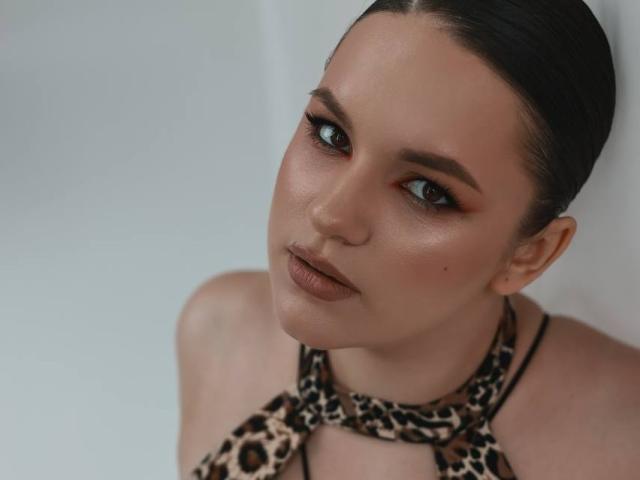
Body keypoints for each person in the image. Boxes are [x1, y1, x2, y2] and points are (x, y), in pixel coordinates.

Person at [176, 1, 640, 478]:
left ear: (530, 255)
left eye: (427, 191)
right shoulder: (217, 332)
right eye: (331, 135)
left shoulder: (625, 438)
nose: (330, 214)